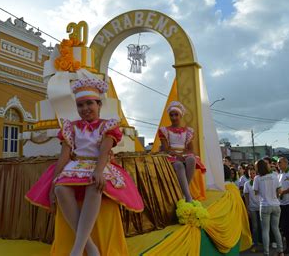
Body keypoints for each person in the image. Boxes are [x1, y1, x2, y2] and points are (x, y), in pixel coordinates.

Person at [26, 78, 144, 256]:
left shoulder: (107, 125)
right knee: (60, 190)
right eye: (80, 105)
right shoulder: (70, 127)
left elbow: (104, 150)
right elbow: (64, 156)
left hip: (99, 164)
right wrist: (53, 183)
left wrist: (98, 171)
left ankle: (77, 249)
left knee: (95, 185)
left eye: (90, 103)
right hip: (76, 165)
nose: (85, 108)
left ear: (99, 105)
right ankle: (88, 245)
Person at [159, 101, 206, 202]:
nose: (174, 117)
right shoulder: (164, 130)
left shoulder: (188, 131)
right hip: (170, 154)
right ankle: (188, 197)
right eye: (171, 115)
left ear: (181, 115)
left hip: (183, 153)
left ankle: (182, 192)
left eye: (176, 115)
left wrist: (183, 155)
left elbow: (190, 149)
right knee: (179, 165)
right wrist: (176, 155)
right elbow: (166, 148)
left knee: (192, 160)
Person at [253, 159, 284, 256]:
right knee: (276, 229)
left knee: (265, 230)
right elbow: (280, 191)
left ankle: (266, 253)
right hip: (276, 205)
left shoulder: (257, 178)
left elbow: (256, 192)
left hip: (265, 205)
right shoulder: (274, 176)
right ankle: (280, 251)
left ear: (258, 168)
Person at [243, 167, 260, 252]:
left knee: (263, 226)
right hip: (252, 208)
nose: (252, 175)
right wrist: (247, 208)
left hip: (261, 207)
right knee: (255, 227)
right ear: (248, 174)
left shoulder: (259, 181)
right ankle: (255, 244)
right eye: (250, 173)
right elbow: (246, 197)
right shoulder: (246, 184)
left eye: (253, 173)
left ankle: (264, 243)